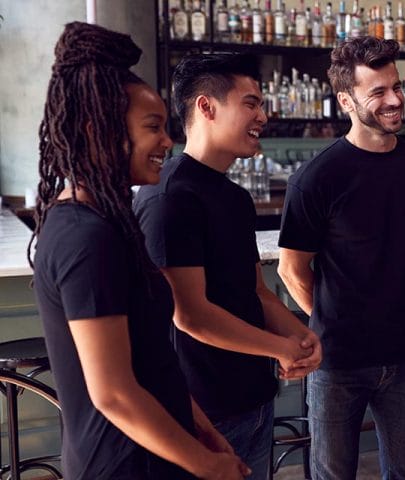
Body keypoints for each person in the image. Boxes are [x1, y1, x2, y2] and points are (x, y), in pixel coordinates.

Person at [31, 22, 248, 479]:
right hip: (121, 466)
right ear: (99, 129)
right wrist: (205, 463)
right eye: (152, 127)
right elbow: (113, 392)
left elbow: (153, 360)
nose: (167, 142)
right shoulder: (83, 237)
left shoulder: (111, 222)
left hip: (156, 458)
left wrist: (204, 431)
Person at [134, 53, 322, 479]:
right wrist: (279, 348)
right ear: (206, 106)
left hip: (253, 397)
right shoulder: (169, 197)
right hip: (201, 409)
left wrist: (301, 336)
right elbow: (190, 316)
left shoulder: (234, 197)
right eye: (251, 103)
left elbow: (254, 292)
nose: (263, 115)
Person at [276, 36, 405, 479]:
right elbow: (291, 270)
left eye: (397, 87)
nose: (394, 100)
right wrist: (336, 319)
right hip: (338, 360)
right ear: (346, 100)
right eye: (379, 92)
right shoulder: (317, 177)